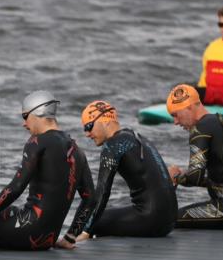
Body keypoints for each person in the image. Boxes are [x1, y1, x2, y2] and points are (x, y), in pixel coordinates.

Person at [0, 91, 92, 251]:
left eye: (25, 116)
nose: (24, 123)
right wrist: (70, 236)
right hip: (46, 240)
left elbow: (16, 187)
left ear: (38, 111)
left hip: (26, 230)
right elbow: (90, 198)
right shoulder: (77, 150)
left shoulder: (37, 142)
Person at [59, 100, 176, 243]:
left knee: (97, 221)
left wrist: (79, 233)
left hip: (151, 220)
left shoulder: (113, 145)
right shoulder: (135, 136)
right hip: (169, 220)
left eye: (89, 127)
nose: (87, 134)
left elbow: (101, 194)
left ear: (105, 121)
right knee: (106, 215)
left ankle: (74, 240)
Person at [166, 84, 223, 230]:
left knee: (167, 219)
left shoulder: (200, 129)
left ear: (189, 107)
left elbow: (194, 177)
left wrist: (175, 176)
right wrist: (182, 175)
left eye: (175, 115)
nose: (175, 122)